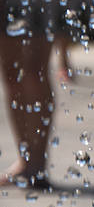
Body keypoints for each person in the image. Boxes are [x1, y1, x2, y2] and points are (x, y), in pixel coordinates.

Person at [0, 23, 54, 191]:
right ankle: (25, 159)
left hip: (40, 5)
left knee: (36, 71)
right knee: (11, 73)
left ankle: (38, 163)